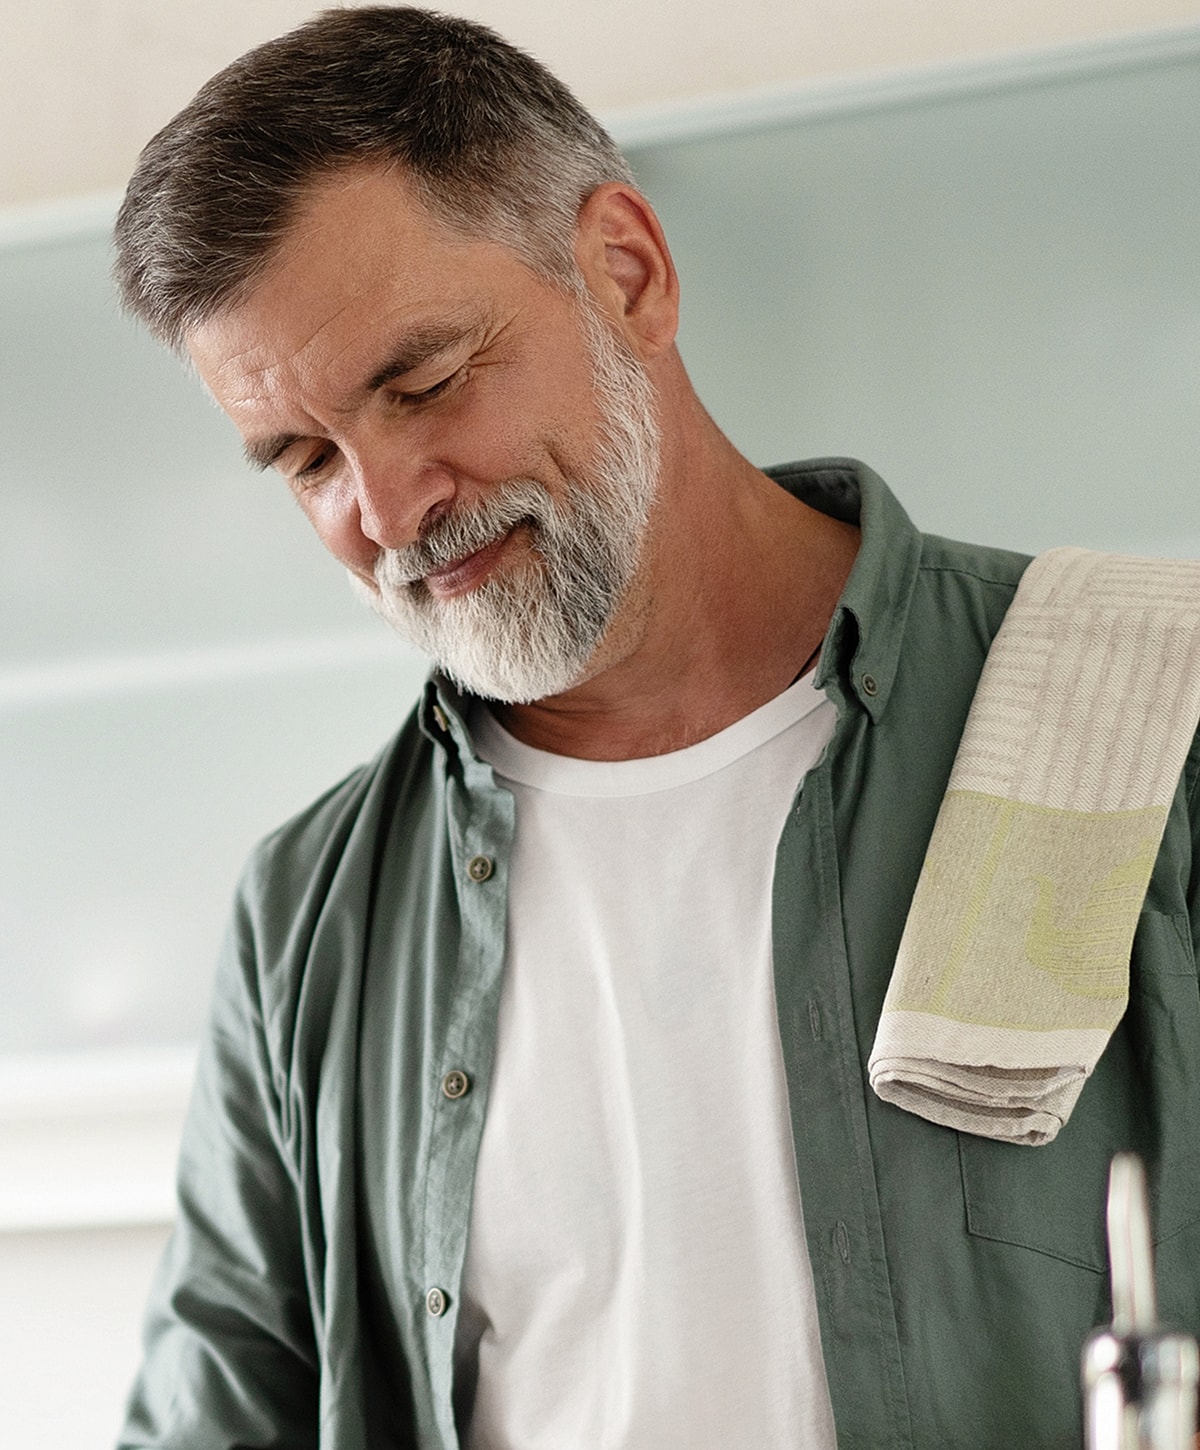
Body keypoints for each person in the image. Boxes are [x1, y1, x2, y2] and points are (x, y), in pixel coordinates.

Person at [112, 8, 1200, 1449]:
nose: (385, 511)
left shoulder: (1143, 710)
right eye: (306, 458)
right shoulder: (309, 911)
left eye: (425, 382)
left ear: (626, 271)